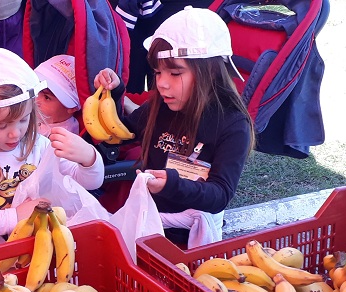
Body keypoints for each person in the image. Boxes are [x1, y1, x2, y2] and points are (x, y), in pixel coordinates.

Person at [95, 6, 253, 248]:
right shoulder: (157, 108)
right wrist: (113, 94)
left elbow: (220, 194)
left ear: (209, 71)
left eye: (175, 73)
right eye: (158, 72)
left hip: (191, 237)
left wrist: (172, 184)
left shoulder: (232, 124)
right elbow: (121, 133)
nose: (162, 84)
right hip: (150, 227)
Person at [0, 47, 104, 256]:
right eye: (1, 125)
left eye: (24, 120)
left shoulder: (39, 145)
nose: (15, 134)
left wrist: (89, 159)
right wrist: (14, 216)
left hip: (36, 260)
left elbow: (90, 183)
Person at [115, 0, 213, 94]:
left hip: (180, 5)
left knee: (177, 74)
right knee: (122, 83)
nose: (162, 84)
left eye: (175, 74)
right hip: (123, 7)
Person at [33, 54, 81, 137]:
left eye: (46, 97)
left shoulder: (62, 137)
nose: (36, 99)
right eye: (36, 90)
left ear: (72, 108)